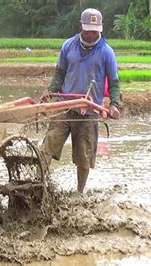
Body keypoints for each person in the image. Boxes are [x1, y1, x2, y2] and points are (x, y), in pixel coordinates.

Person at [43, 8, 121, 193]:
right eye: (88, 29)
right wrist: (51, 90)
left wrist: (115, 104)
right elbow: (59, 74)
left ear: (100, 29)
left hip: (89, 110)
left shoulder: (106, 52)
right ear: (81, 27)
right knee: (48, 145)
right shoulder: (68, 46)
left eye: (95, 30)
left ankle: (80, 192)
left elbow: (114, 82)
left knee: (84, 155)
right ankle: (40, 185)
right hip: (65, 106)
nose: (92, 33)